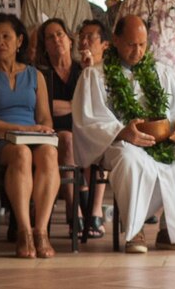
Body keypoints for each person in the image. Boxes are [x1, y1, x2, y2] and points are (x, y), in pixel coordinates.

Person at [72, 15, 175, 254]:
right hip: (121, 142)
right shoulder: (95, 75)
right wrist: (121, 131)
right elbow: (89, 119)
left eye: (142, 44)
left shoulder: (162, 72)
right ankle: (135, 228)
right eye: (131, 44)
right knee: (132, 160)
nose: (137, 51)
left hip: (162, 139)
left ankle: (173, 230)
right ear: (115, 40)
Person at [0, 13, 61, 259]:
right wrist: (23, 131)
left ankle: (40, 231)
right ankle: (23, 231)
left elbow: (45, 119)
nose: (0, 42)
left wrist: (39, 131)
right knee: (20, 153)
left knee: (50, 153)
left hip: (32, 139)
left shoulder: (36, 76)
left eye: (6, 37)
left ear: (20, 41)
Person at [34, 17, 87, 237]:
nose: (56, 40)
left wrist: (69, 107)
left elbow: (90, 106)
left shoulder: (83, 69)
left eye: (60, 34)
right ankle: (75, 211)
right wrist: (76, 105)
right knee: (66, 139)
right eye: (50, 37)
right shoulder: (40, 73)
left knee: (74, 139)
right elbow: (44, 109)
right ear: (44, 45)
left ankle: (86, 211)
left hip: (83, 130)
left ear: (70, 39)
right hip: (51, 131)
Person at [76, 20, 111, 237]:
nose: (84, 40)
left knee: (104, 136)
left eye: (91, 36)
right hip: (74, 125)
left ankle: (95, 208)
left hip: (100, 125)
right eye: (82, 36)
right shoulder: (73, 67)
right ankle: (80, 209)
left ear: (105, 44)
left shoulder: (110, 71)